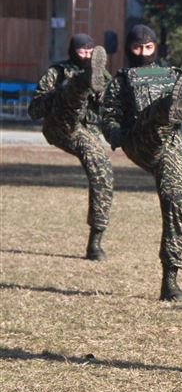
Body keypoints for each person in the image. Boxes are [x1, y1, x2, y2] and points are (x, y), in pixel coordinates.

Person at [101, 24, 182, 301]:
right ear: (128, 48)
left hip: (170, 146)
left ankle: (170, 279)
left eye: (148, 48)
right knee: (156, 114)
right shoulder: (122, 80)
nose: (143, 53)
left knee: (178, 200)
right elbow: (109, 116)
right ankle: (167, 106)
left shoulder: (174, 75)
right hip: (138, 139)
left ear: (156, 47)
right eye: (137, 48)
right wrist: (115, 134)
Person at [28, 34, 113, 260]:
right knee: (73, 88)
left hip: (86, 133)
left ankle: (95, 242)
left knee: (103, 172)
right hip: (60, 126)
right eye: (82, 52)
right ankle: (81, 82)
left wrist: (104, 98)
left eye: (90, 52)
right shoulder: (57, 72)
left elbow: (115, 110)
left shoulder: (105, 77)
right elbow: (34, 110)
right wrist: (60, 91)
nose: (86, 55)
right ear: (72, 51)